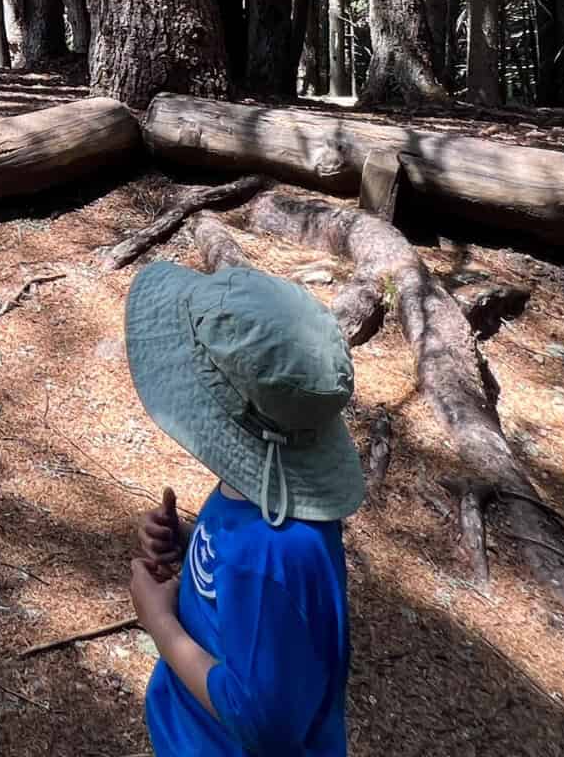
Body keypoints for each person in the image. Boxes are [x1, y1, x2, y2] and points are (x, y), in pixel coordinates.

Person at [121, 260, 364, 757]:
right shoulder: (265, 497)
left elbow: (262, 724)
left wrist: (159, 622)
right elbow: (249, 595)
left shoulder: (271, 553)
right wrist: (192, 545)